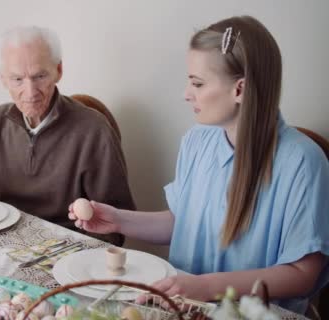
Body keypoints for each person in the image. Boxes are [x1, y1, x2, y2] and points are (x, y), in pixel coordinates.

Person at [69, 16, 329, 313]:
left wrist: (206, 287)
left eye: (198, 83)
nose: (186, 93)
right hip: (186, 307)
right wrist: (117, 219)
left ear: (239, 90)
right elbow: (184, 223)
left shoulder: (304, 163)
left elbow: (302, 275)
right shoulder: (196, 141)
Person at [0, 26, 136, 245]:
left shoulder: (93, 130)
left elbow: (116, 225)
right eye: (17, 79)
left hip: (67, 251)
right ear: (3, 79)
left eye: (39, 76)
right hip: (4, 244)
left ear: (58, 70)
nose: (30, 93)